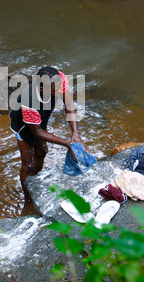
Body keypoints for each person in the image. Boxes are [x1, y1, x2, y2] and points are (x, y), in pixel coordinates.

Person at [9, 66, 88, 210]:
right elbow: (36, 132)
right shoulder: (29, 100)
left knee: (42, 151)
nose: (59, 92)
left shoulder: (59, 80)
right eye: (54, 91)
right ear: (41, 88)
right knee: (28, 165)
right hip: (23, 125)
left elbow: (69, 105)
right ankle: (28, 201)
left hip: (40, 117)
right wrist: (67, 144)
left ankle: (36, 183)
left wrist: (75, 133)